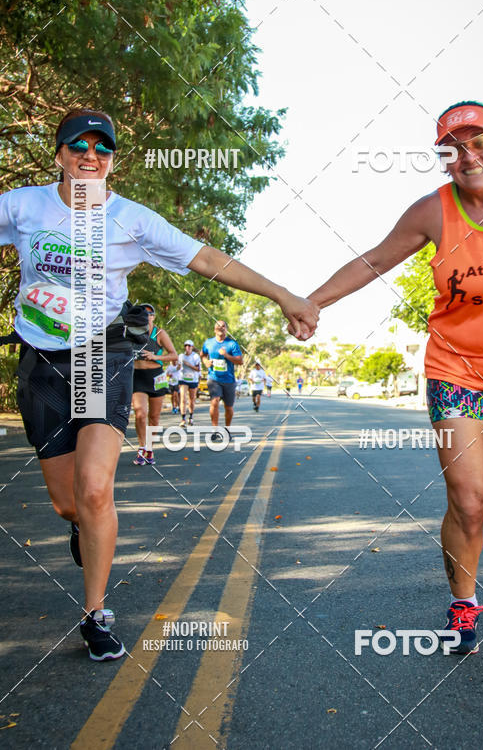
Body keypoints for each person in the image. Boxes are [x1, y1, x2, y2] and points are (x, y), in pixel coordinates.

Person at [0, 107, 318, 662]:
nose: (90, 157)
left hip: (102, 354)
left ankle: (95, 612)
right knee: (67, 502)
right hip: (41, 362)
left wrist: (282, 294)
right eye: (79, 147)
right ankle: (82, 525)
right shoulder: (24, 206)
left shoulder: (132, 219)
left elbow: (209, 260)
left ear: (111, 161)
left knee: (95, 488)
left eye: (102, 150)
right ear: (59, 154)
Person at [306, 100, 483, 654]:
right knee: (465, 498)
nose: (469, 155)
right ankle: (464, 604)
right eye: (454, 148)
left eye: (480, 141)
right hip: (455, 370)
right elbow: (372, 261)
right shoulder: (433, 212)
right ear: (442, 160)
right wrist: (312, 302)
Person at [131, 303, 177, 465]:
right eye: (144, 313)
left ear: (154, 317)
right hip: (137, 376)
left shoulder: (160, 333)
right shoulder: (131, 331)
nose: (147, 316)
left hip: (156, 376)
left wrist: (155, 357)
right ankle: (142, 447)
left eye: (150, 313)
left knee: (154, 417)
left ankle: (150, 449)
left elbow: (174, 355)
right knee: (140, 413)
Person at [201, 321, 242, 430]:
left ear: (226, 329)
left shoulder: (232, 344)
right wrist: (205, 362)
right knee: (214, 402)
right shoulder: (208, 342)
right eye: (218, 326)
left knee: (228, 407)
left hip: (229, 380)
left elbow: (240, 361)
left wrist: (226, 355)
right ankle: (215, 430)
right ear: (215, 329)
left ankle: (227, 429)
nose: (221, 327)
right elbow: (203, 355)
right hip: (214, 378)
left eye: (223, 326)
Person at [178, 340, 201, 428]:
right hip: (183, 379)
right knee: (183, 398)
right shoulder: (181, 356)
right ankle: (183, 419)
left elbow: (198, 369)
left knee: (192, 399)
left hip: (193, 379)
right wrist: (179, 366)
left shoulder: (195, 356)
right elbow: (178, 367)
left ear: (192, 347)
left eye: (189, 346)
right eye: (186, 345)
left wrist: (188, 364)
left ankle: (191, 417)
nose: (187, 347)